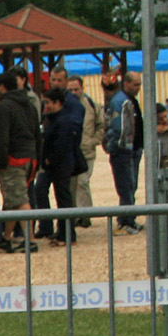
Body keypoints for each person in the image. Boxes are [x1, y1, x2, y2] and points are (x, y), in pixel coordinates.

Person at [0, 71, 40, 241]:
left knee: (19, 200)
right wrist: (38, 159)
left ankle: (31, 239)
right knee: (13, 197)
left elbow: (2, 136)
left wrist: (2, 161)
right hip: (30, 156)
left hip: (13, 158)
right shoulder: (30, 105)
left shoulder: (4, 107)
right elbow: (37, 134)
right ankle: (7, 237)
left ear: (2, 87)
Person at [34, 86, 84, 244]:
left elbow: (61, 146)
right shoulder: (53, 118)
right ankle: (55, 229)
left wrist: (49, 160)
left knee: (63, 199)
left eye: (48, 102)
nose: (45, 106)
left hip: (61, 165)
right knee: (42, 190)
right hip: (53, 166)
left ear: (57, 103)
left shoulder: (63, 121)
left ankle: (68, 235)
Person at [105, 70, 145, 233]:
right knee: (126, 186)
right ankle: (126, 220)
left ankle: (129, 218)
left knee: (131, 185)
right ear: (126, 83)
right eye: (136, 85)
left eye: (139, 85)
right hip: (123, 152)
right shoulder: (121, 102)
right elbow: (117, 127)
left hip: (133, 150)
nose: (138, 88)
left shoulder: (130, 101)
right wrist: (116, 147)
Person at [70, 75, 104, 223]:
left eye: (76, 89)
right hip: (70, 152)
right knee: (72, 185)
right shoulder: (65, 105)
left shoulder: (91, 105)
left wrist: (93, 141)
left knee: (83, 182)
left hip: (86, 151)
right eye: (70, 89)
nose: (73, 92)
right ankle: (74, 214)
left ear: (82, 88)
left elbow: (101, 125)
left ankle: (85, 214)